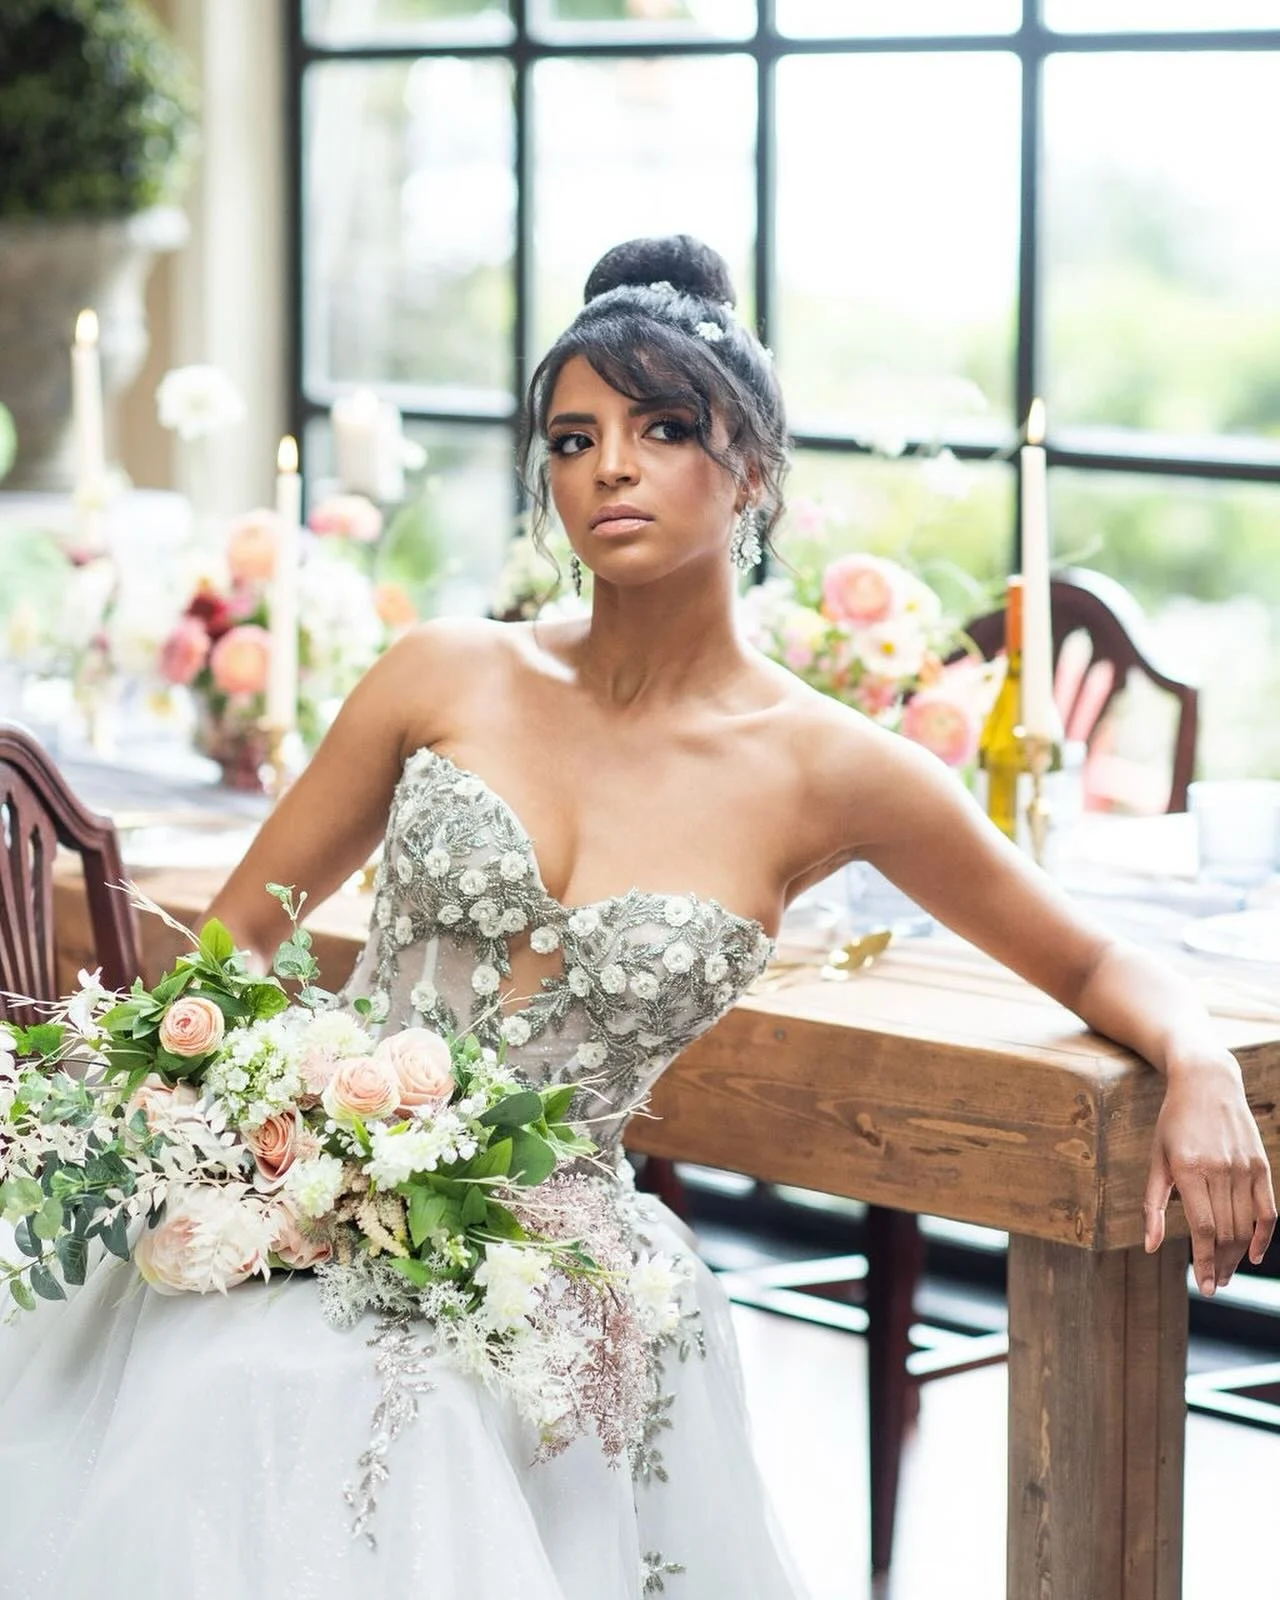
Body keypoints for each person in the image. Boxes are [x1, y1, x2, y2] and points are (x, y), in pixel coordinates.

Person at [0, 234, 1273, 1598]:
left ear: (756, 471)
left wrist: (1197, 1060)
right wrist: (244, 1113)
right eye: (572, 435)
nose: (609, 463)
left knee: (398, 1410)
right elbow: (240, 937)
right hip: (295, 1206)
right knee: (267, 1386)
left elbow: (1087, 955)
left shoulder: (834, 766)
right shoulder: (443, 673)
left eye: (664, 428)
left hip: (553, 1261)